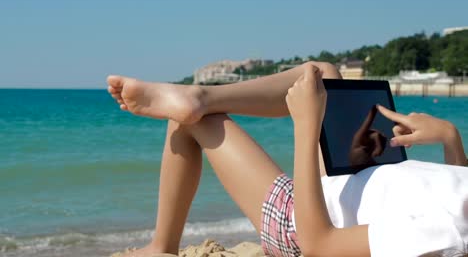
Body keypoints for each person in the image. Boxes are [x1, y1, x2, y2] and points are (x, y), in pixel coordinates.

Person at [107, 62, 468, 257]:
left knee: (190, 122)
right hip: (354, 180)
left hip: (302, 222)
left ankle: (161, 247)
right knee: (322, 72)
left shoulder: (443, 233)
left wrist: (306, 126)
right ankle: (201, 95)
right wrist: (450, 137)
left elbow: (319, 246)